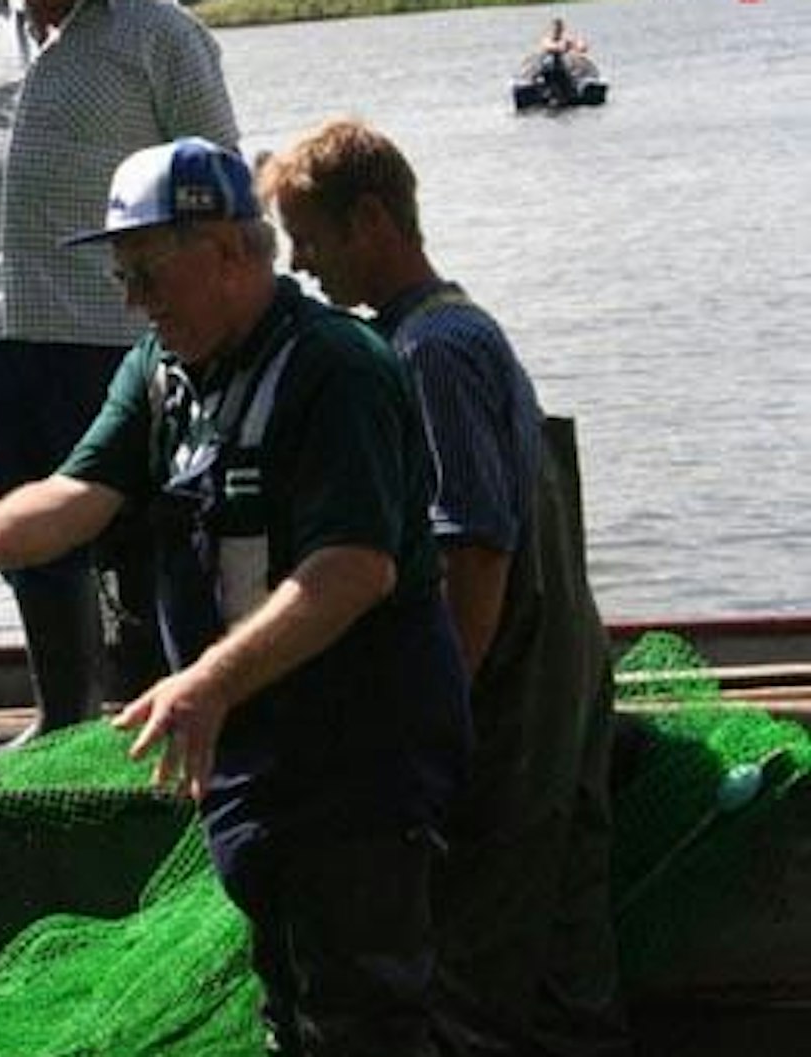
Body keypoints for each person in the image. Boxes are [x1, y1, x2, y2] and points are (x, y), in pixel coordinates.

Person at [0, 138, 470, 1056]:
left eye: (150, 273)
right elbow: (83, 493)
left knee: (366, 1014)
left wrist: (206, 679)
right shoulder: (160, 370)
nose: (133, 300)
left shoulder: (338, 369)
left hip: (362, 753)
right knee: (288, 1004)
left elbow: (354, 569)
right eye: (123, 275)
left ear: (234, 252)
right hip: (248, 751)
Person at [261, 118, 629, 1057]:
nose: (300, 265)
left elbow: (475, 552)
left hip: (509, 711)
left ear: (372, 221)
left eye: (309, 238)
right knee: (566, 973)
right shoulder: (449, 328)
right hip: (558, 681)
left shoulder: (432, 350)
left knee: (479, 979)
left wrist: (440, 720)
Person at [0, 0, 239, 740]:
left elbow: (222, 187)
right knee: (23, 539)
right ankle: (62, 722)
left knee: (143, 543)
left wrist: (221, 325)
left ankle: (160, 718)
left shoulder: (160, 33)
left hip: (119, 342)